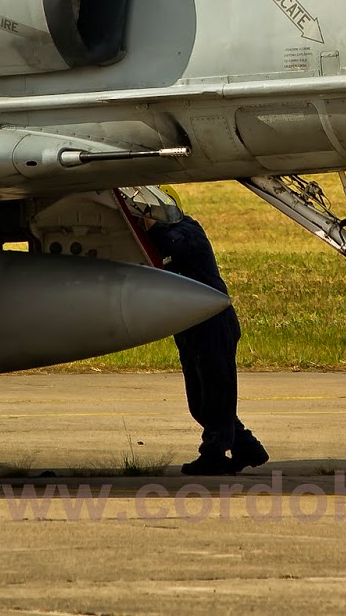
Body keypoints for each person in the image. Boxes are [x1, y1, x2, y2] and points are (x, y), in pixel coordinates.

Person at [127, 187, 268, 476]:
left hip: (213, 321)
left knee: (217, 394)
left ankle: (214, 454)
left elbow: (175, 245)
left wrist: (150, 227)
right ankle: (246, 446)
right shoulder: (156, 238)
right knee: (201, 403)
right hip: (189, 325)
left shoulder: (187, 230)